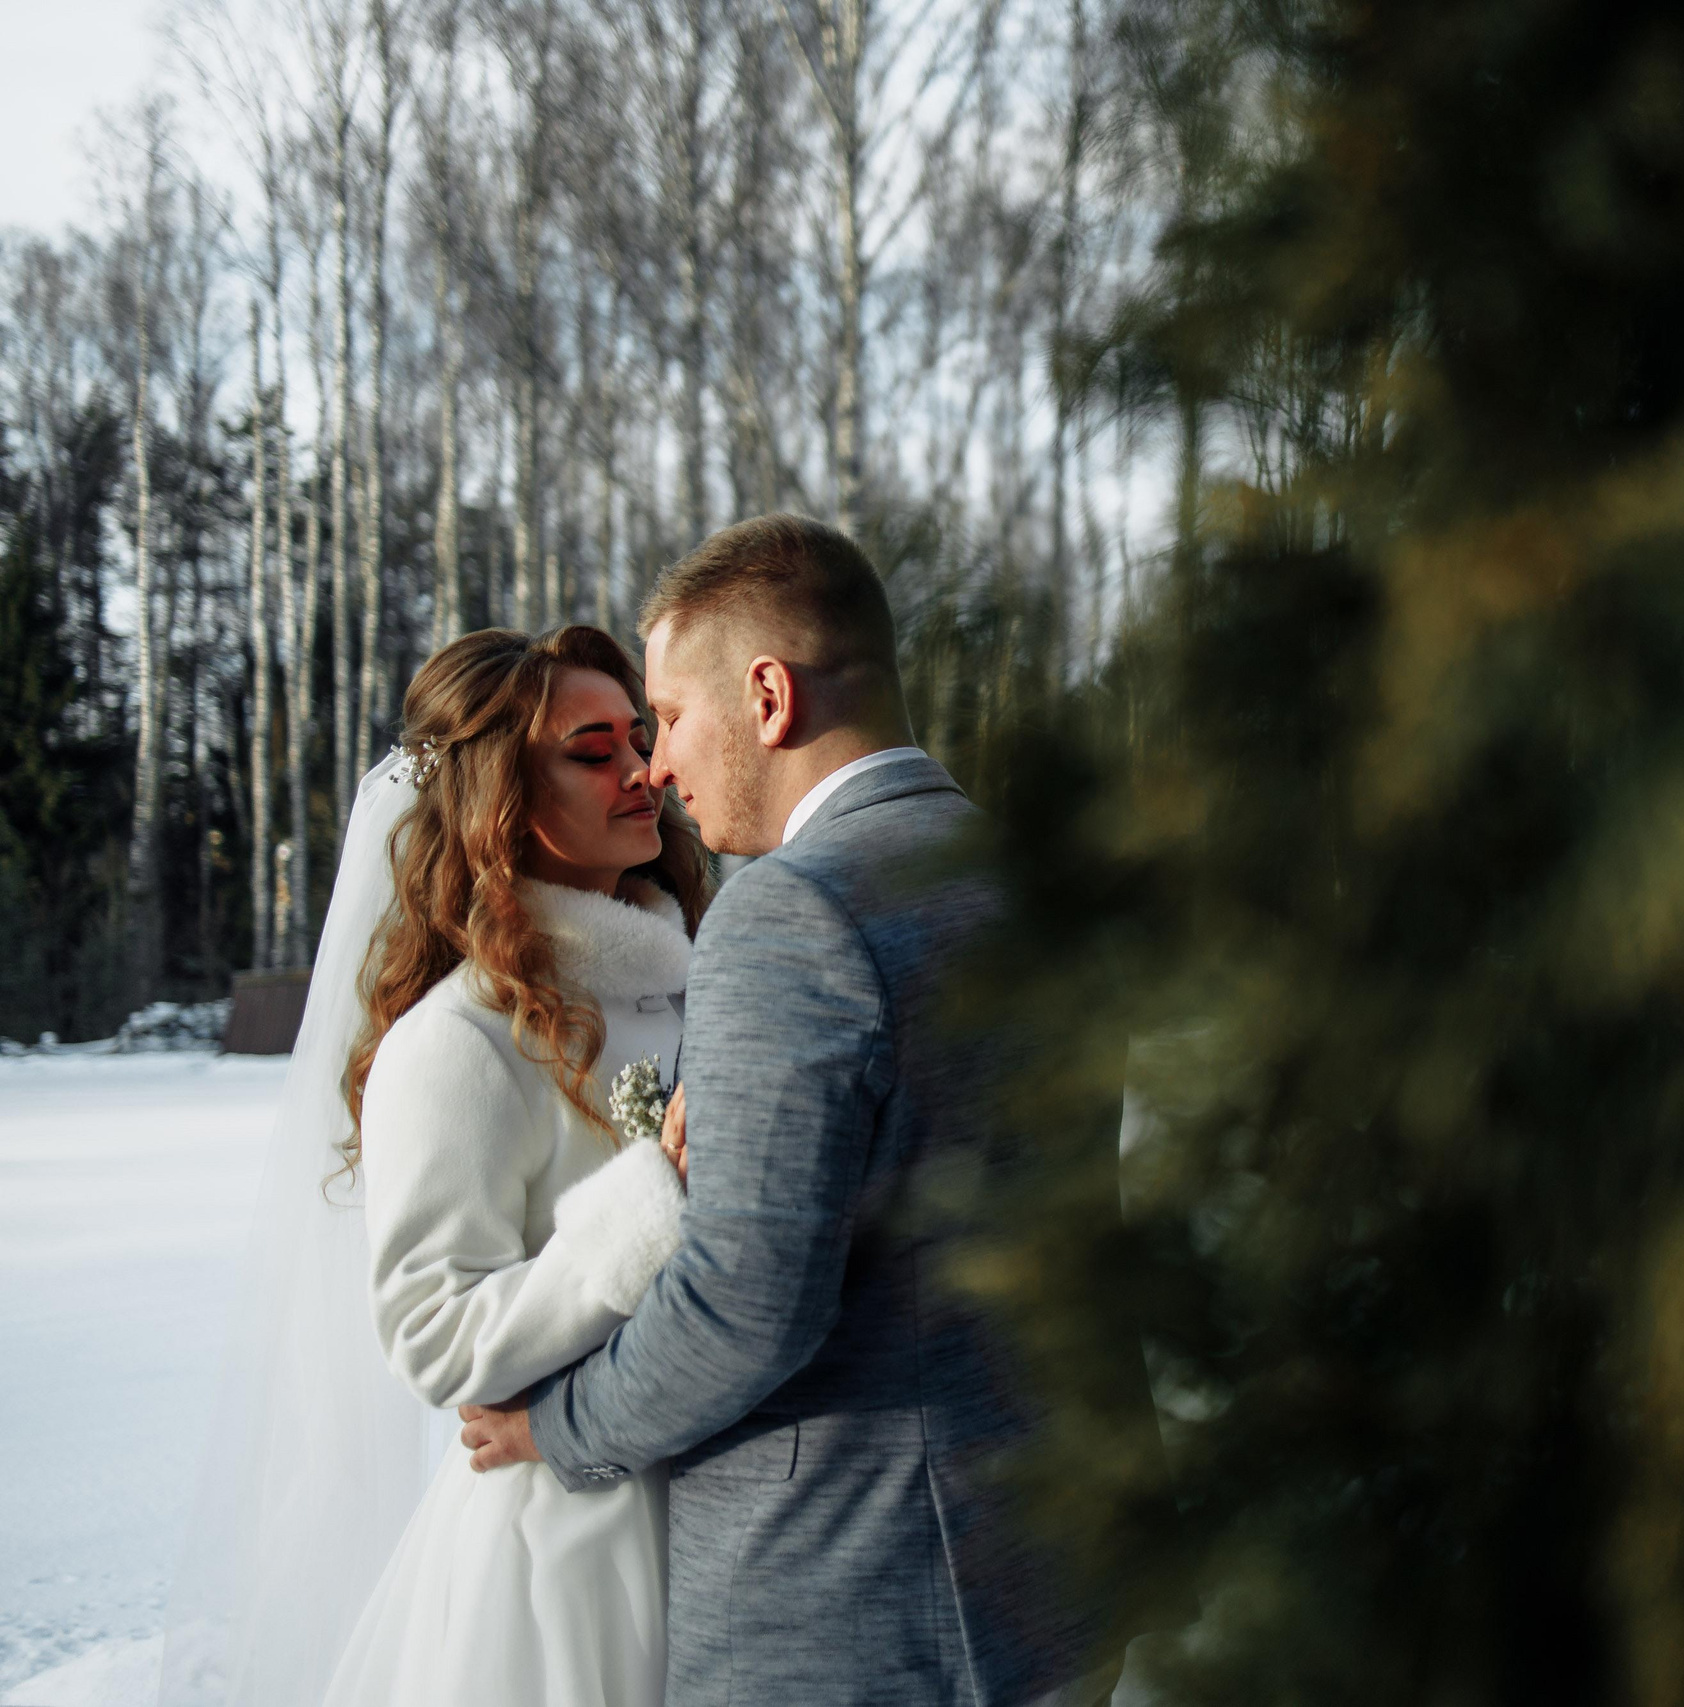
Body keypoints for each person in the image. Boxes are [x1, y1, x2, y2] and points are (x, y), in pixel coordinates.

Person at [459, 514, 1099, 1706]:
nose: (656, 766)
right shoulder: (1021, 879)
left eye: (667, 717)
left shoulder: (792, 909)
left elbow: (745, 1303)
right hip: (1054, 1569)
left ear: (767, 696)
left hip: (853, 1599)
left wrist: (560, 1429)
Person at [296, 624, 711, 1707]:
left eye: (639, 737)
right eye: (593, 752)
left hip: (739, 1511)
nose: (643, 771)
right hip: (575, 1550)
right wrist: (649, 1208)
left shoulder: (705, 986)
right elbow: (433, 1333)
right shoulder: (460, 1041)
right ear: (502, 799)